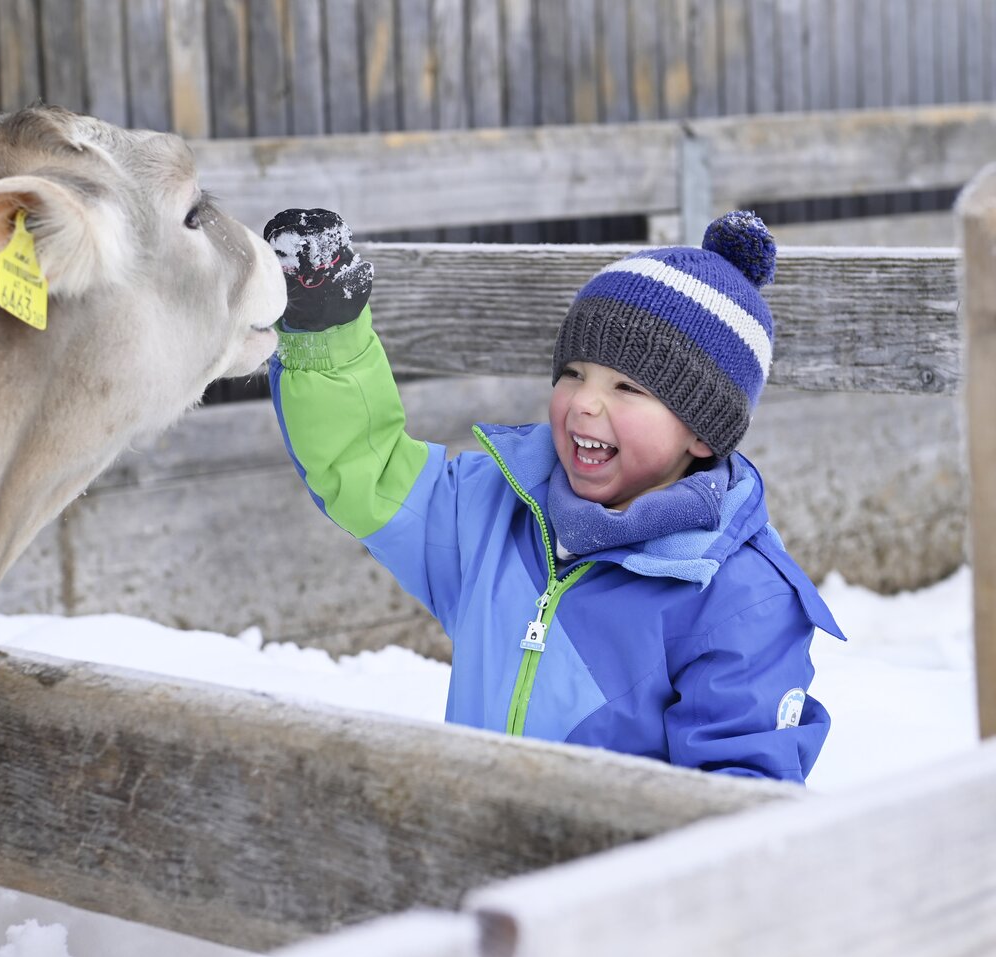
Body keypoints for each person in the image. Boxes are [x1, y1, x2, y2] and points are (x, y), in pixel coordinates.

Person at [264, 207, 843, 783]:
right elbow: (370, 468)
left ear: (700, 430)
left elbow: (735, 813)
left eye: (627, 386)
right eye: (573, 372)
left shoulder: (738, 601)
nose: (584, 403)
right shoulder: (491, 513)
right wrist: (326, 333)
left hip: (603, 874)